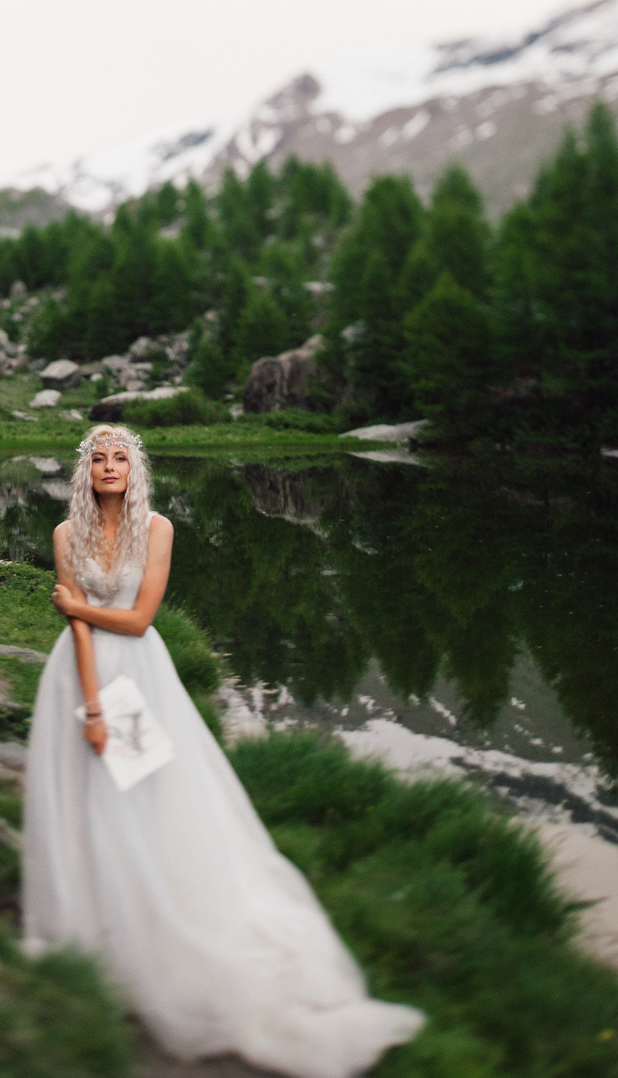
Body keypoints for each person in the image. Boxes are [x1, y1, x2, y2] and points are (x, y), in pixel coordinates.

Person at [22, 424, 425, 1078]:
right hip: (84, 673)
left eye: (120, 457)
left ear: (136, 468)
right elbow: (75, 620)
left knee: (137, 792)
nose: (108, 466)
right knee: (80, 789)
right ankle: (93, 919)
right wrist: (90, 703)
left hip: (138, 677)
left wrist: (83, 612)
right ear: (83, 471)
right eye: (97, 458)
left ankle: (153, 919)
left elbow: (140, 617)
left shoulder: (156, 529)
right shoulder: (66, 534)